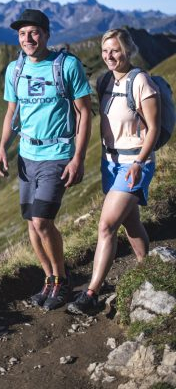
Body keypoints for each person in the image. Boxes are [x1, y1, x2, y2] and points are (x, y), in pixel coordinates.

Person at [0, 9, 93, 310]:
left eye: (34, 32)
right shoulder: (15, 70)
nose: (28, 38)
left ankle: (62, 282)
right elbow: (12, 112)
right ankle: (49, 279)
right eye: (22, 34)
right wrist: (2, 148)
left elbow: (85, 112)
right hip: (27, 155)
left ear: (46, 34)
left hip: (57, 154)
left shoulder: (67, 66)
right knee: (30, 223)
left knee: (42, 221)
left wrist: (78, 157)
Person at [68, 28, 159, 315]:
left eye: (115, 50)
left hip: (135, 162)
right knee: (130, 223)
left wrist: (138, 162)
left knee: (106, 225)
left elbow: (154, 128)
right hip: (110, 163)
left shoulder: (141, 81)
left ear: (128, 51)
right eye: (105, 51)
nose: (109, 56)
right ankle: (149, 269)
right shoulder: (104, 80)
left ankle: (91, 293)